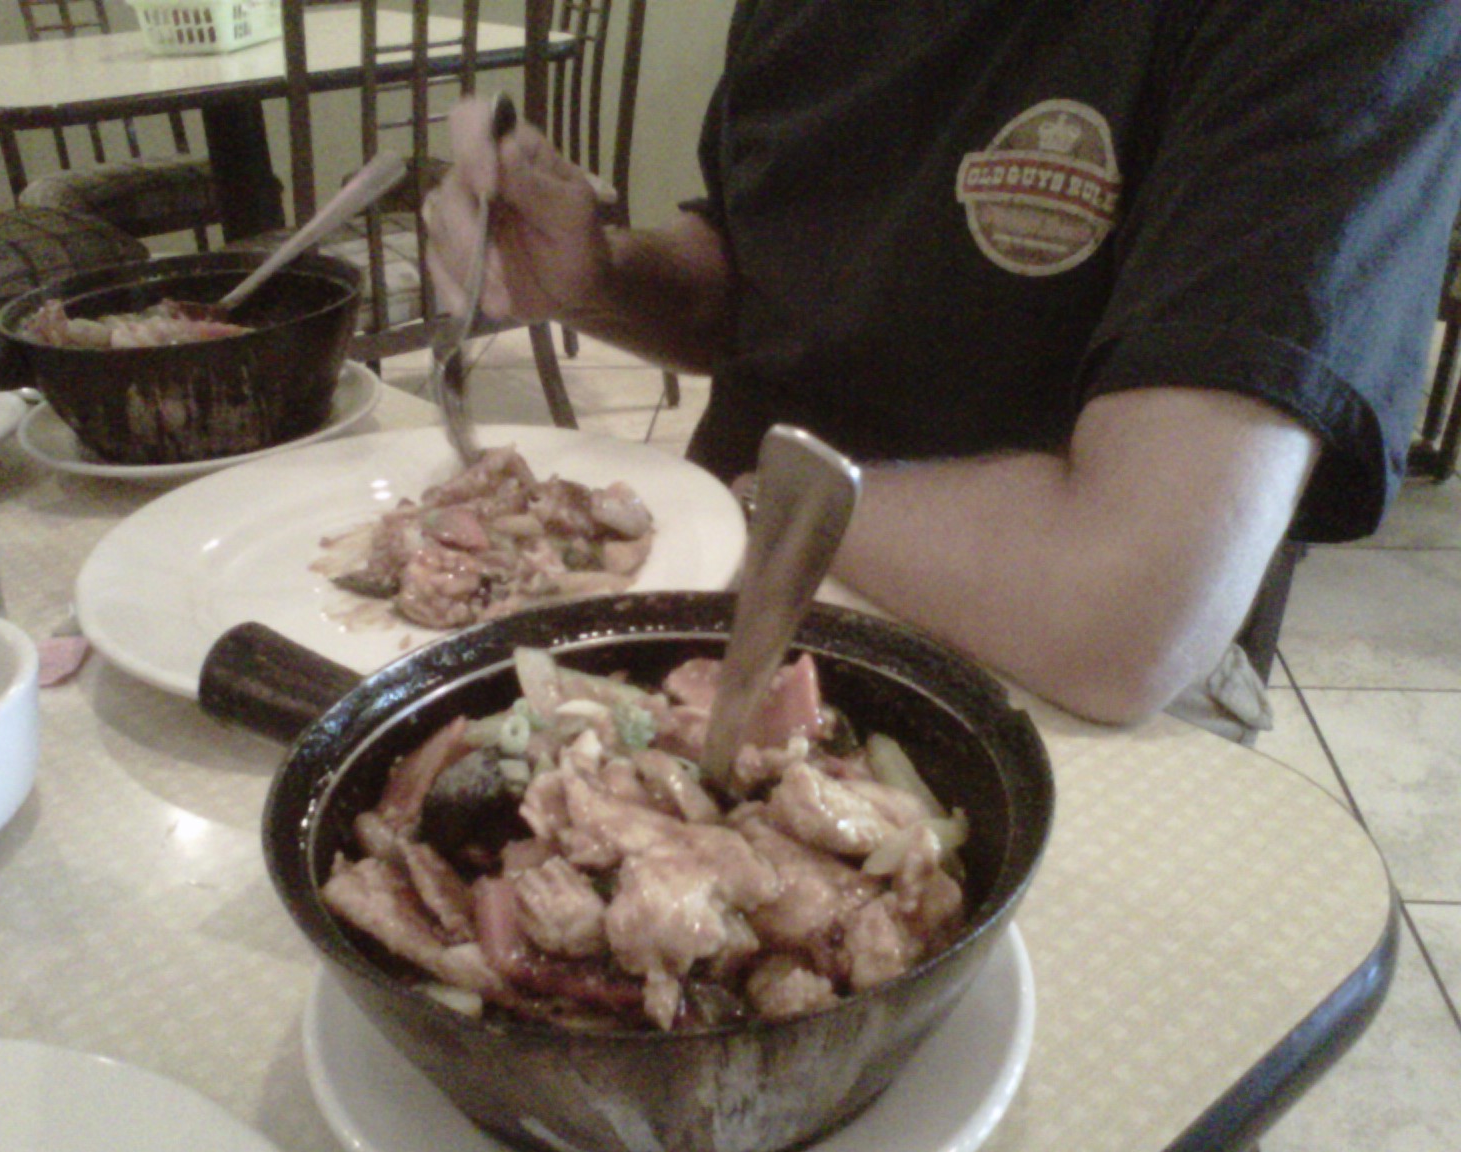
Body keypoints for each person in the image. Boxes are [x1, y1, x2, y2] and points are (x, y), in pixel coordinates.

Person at [424, 0, 1461, 727]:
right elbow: (766, 285)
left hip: (1052, 697)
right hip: (737, 605)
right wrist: (600, 279)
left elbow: (1123, 603)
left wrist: (743, 504)